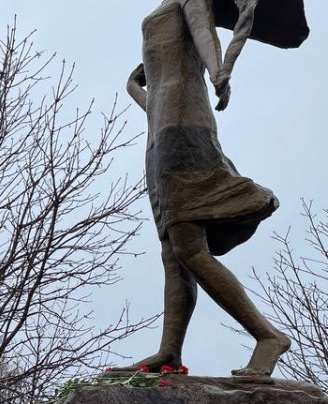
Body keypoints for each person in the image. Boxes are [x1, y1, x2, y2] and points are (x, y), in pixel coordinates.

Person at [114, 0, 293, 377]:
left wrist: (218, 71)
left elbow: (202, 31)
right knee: (172, 251)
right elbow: (156, 88)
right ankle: (169, 350)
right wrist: (133, 88)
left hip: (183, 126)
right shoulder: (163, 9)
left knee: (189, 247)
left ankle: (268, 336)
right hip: (159, 134)